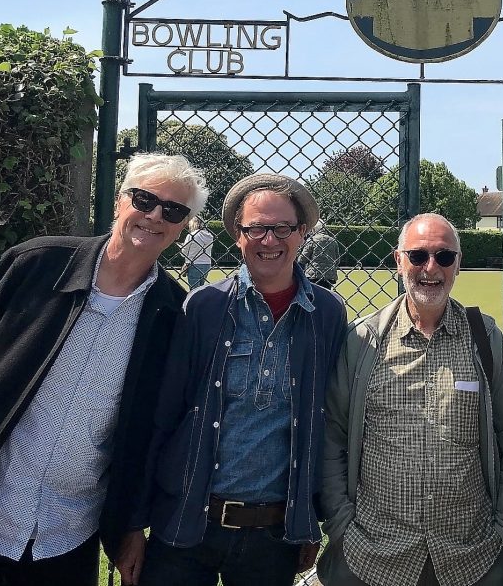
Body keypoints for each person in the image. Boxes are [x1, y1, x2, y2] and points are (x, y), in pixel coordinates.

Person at [0, 153, 208, 586]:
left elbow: (146, 431)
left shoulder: (171, 313)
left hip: (66, 537)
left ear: (184, 225)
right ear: (119, 201)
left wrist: (129, 525)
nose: (154, 216)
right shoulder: (36, 263)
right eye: (144, 199)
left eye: (174, 209)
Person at [138, 173, 347, 586]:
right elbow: (166, 414)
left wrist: (308, 516)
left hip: (272, 535)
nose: (268, 240)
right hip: (187, 524)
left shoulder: (327, 314)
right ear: (238, 235)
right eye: (256, 228)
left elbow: (326, 423)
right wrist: (133, 520)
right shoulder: (205, 306)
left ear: (301, 233)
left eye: (281, 228)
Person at [318, 213, 503, 586]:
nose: (431, 268)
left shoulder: (485, 338)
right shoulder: (363, 340)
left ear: (458, 265)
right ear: (398, 261)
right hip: (372, 554)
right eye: (418, 256)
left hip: (471, 555)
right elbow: (333, 435)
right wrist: (341, 524)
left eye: (444, 257)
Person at [297, 218, 340, 290]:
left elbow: (302, 259)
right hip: (329, 275)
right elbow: (337, 260)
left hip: (313, 275)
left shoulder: (312, 240)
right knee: (326, 295)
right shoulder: (332, 241)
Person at [180, 216, 214, 289]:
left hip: (194, 263)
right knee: (201, 288)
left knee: (194, 289)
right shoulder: (210, 236)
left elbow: (184, 251)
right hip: (207, 264)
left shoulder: (191, 235)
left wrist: (182, 249)